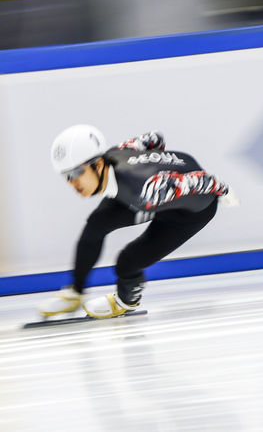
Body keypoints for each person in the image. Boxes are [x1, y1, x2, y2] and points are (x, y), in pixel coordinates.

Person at [39, 125, 231, 319]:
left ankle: (126, 300)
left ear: (98, 165)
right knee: (96, 225)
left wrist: (224, 191)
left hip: (188, 213)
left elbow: (200, 181)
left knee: (126, 262)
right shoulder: (115, 155)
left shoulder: (147, 190)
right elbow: (154, 138)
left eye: (74, 174)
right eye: (66, 177)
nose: (72, 183)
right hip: (152, 195)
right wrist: (154, 162)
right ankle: (76, 292)